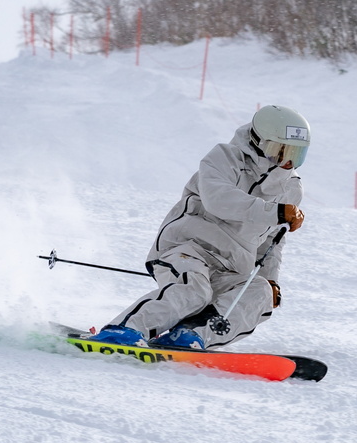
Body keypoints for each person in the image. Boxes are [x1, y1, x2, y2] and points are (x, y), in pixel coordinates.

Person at [89, 105, 311, 350]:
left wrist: (270, 279)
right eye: (279, 151)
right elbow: (219, 200)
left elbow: (272, 241)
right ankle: (125, 330)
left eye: (295, 153)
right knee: (194, 291)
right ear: (258, 141)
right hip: (188, 247)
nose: (287, 161)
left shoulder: (291, 189)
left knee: (260, 292)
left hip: (233, 265)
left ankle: (190, 335)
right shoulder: (225, 158)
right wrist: (276, 211)